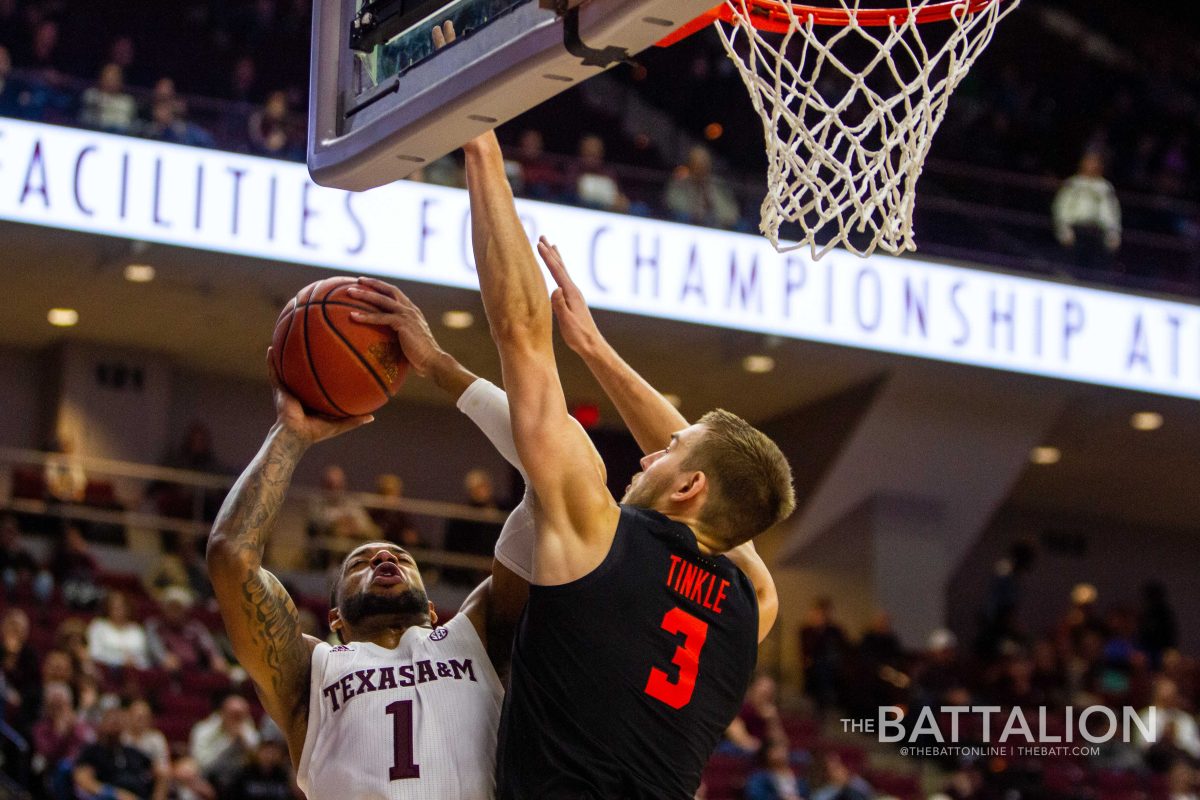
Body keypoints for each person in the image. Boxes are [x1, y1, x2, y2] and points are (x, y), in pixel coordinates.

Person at [388, 26, 792, 797]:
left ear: (688, 488)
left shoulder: (600, 538)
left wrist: (476, 137)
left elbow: (519, 332)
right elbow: (714, 480)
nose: (649, 451)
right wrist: (599, 354)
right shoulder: (750, 609)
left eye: (669, 454)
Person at [73, 704, 163, 800]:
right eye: (111, 720)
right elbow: (83, 780)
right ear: (102, 724)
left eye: (118, 720)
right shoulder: (92, 751)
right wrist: (115, 794)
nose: (116, 723)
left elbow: (160, 772)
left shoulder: (131, 751)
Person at [1051, 151, 1122, 272]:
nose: (1091, 165)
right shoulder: (1073, 183)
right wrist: (1063, 230)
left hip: (1097, 232)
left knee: (1096, 270)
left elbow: (1111, 211)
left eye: (1094, 162)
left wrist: (1113, 233)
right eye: (1088, 161)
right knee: (1070, 269)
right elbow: (1061, 208)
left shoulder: (1105, 186)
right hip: (1075, 230)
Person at [145, 587, 228, 674]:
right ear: (163, 608)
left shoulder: (195, 627)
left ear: (185, 610)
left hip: (198, 668)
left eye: (178, 608)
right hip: (171, 671)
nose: (174, 612)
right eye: (170, 608)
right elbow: (156, 649)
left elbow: (210, 647)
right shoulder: (155, 626)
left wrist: (216, 658)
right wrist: (164, 658)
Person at [665, 146, 741, 229]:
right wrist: (695, 211)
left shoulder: (717, 184)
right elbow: (672, 202)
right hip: (690, 224)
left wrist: (710, 195)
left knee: (741, 225)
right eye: (697, 164)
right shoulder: (681, 180)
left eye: (704, 164)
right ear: (691, 164)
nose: (700, 169)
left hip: (717, 226)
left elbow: (731, 213)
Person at [87, 591, 151, 670]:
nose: (119, 610)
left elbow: (145, 659)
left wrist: (135, 662)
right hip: (106, 671)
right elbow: (95, 653)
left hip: (135, 670)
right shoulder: (98, 626)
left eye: (122, 606)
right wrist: (120, 661)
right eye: (115, 607)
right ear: (108, 607)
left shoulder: (136, 629)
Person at [79, 63, 138, 134]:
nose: (110, 80)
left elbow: (124, 124)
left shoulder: (127, 101)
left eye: (114, 77)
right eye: (108, 76)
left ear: (121, 80)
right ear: (101, 77)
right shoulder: (91, 95)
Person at [370, 473, 423, 548]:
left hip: (401, 545)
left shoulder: (401, 513)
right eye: (387, 492)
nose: (390, 496)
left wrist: (410, 534)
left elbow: (410, 530)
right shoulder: (374, 511)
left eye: (394, 492)